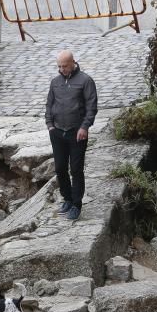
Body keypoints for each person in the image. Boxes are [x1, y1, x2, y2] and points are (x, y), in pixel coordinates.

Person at [45, 50, 98, 221]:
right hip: (57, 132)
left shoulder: (86, 80)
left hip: (77, 133)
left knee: (76, 169)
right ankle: (67, 199)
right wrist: (50, 125)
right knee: (60, 168)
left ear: (73, 62)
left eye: (65, 66)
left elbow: (92, 107)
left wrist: (85, 127)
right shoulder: (55, 82)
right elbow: (49, 105)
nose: (62, 69)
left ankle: (76, 204)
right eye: (59, 66)